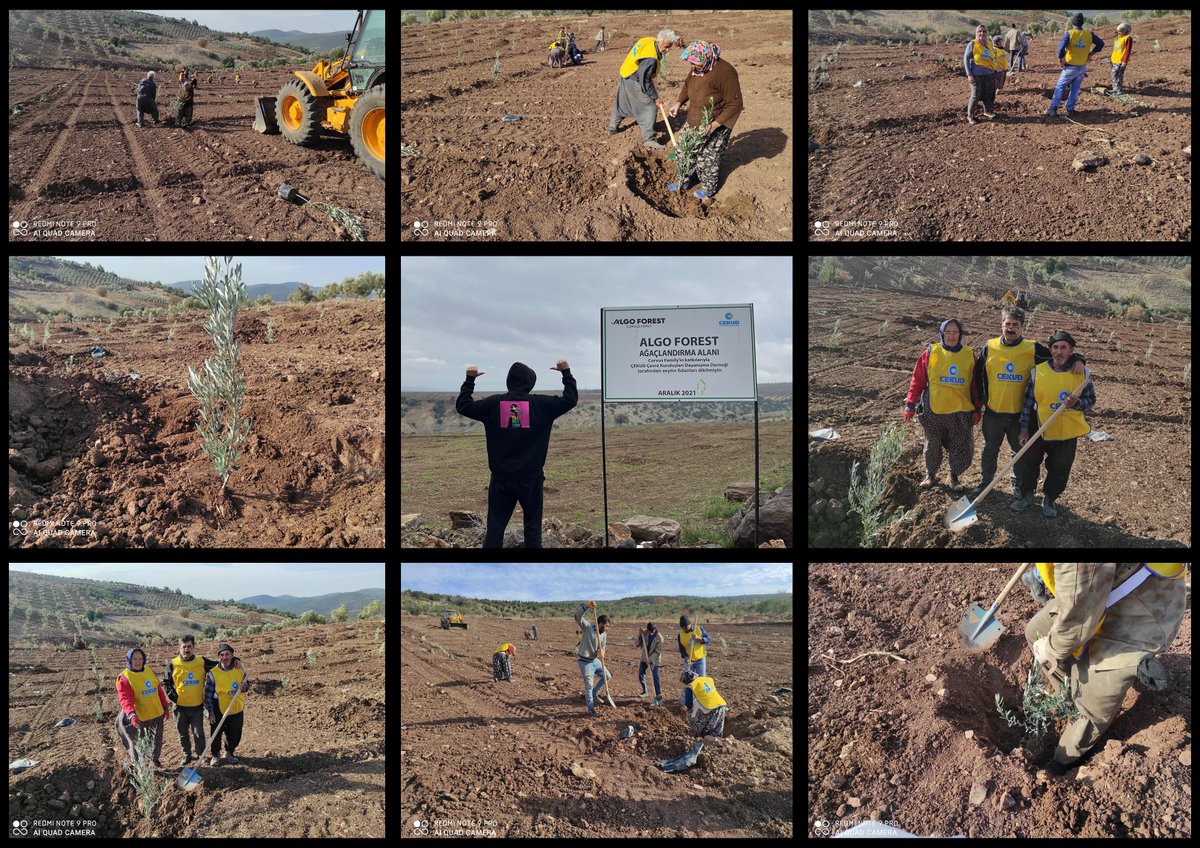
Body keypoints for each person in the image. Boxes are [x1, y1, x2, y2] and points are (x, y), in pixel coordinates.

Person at [1022, 564, 1188, 776]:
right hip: (1100, 590)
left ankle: (1063, 762)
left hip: (1144, 605)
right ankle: (1066, 695)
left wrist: (1051, 648)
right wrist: (1039, 573)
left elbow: (1077, 621)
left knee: (1089, 709)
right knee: (1037, 631)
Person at [455, 360, 578, 548]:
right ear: (531, 383)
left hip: (501, 479)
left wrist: (469, 379)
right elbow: (570, 399)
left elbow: (463, 406)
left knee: (495, 528)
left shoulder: (493, 404)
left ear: (509, 381)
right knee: (533, 529)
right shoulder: (542, 405)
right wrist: (566, 373)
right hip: (531, 479)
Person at [970, 307, 1086, 503]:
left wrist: (1078, 359)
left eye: (1016, 325)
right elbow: (978, 374)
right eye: (1008, 324)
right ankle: (985, 481)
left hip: (1019, 415)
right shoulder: (989, 347)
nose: (1011, 328)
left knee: (1019, 453)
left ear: (1022, 327)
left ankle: (1017, 485)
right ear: (1002, 325)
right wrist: (981, 401)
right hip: (993, 413)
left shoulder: (1033, 349)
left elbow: (1058, 357)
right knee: (990, 450)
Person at [1013, 330, 1096, 517]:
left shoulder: (1082, 373)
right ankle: (1027, 495)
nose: (1059, 352)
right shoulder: (1038, 372)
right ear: (1050, 350)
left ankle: (1050, 498)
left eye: (1063, 348)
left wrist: (1078, 403)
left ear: (1071, 350)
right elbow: (1027, 402)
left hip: (1067, 430)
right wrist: (1024, 429)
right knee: (1029, 462)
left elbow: (1091, 400)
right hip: (1039, 426)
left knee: (1060, 467)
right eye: (1055, 347)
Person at [903, 318, 979, 492]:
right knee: (932, 444)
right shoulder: (931, 353)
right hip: (934, 410)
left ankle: (954, 476)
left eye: (955, 332)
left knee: (961, 444)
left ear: (960, 335)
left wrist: (977, 408)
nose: (951, 336)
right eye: (947, 332)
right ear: (942, 334)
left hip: (960, 410)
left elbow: (975, 385)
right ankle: (930, 474)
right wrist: (910, 404)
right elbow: (918, 380)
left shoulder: (969, 355)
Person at [669, 39, 744, 205]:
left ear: (707, 57)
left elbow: (735, 104)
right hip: (695, 117)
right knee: (683, 150)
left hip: (716, 121)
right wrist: (678, 102)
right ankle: (683, 181)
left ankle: (708, 189)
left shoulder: (726, 72)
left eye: (695, 63)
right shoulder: (698, 66)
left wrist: (714, 125)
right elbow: (687, 86)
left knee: (707, 158)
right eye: (691, 63)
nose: (692, 66)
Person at [162, 635, 248, 767]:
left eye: (189, 646)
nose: (186, 649)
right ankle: (186, 755)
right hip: (179, 707)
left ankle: (201, 755)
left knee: (199, 733)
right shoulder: (172, 664)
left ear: (193, 647)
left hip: (197, 706)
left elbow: (220, 664)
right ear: (179, 648)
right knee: (183, 733)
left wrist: (235, 659)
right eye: (184, 647)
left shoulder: (201, 661)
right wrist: (175, 698)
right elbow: (166, 682)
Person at [607, 29, 680, 148]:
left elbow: (633, 44)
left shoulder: (650, 40)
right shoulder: (650, 59)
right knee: (650, 107)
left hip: (626, 73)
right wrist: (655, 97)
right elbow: (644, 80)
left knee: (622, 103)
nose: (667, 50)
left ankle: (612, 128)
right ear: (659, 42)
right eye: (666, 47)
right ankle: (649, 139)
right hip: (635, 79)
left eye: (669, 47)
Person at [115, 647, 170, 769]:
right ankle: (140, 766)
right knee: (138, 743)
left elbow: (158, 690)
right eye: (134, 659)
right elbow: (125, 699)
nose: (138, 662)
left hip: (156, 713)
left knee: (156, 740)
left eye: (140, 659)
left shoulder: (148, 671)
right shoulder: (124, 677)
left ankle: (155, 761)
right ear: (129, 660)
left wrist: (165, 707)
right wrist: (131, 714)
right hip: (140, 717)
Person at [1044, 13, 1104, 118]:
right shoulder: (1089, 34)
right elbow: (1101, 43)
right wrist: (1090, 54)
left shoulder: (1070, 33)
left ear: (1072, 23)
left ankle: (1053, 109)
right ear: (1082, 23)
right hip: (1082, 67)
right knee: (1075, 89)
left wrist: (1060, 59)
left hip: (1070, 67)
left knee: (1060, 87)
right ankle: (1070, 109)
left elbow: (1060, 49)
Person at [204, 643, 249, 765]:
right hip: (218, 706)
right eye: (222, 655)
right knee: (216, 733)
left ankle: (229, 752)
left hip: (236, 706)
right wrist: (210, 712)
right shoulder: (213, 673)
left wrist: (244, 687)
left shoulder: (239, 669)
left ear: (232, 655)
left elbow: (246, 685)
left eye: (227, 654)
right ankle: (215, 755)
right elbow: (208, 694)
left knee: (235, 732)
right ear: (219, 657)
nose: (224, 657)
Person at [575, 601, 611, 717]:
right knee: (589, 686)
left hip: (595, 661)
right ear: (600, 624)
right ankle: (591, 709)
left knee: (607, 676)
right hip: (585, 662)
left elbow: (603, 647)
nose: (607, 628)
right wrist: (586, 606)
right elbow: (577, 617)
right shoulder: (588, 627)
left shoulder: (604, 634)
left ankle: (595, 693)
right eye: (606, 626)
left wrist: (602, 652)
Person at [963, 24, 998, 125]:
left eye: (984, 31)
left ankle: (987, 111)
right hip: (977, 75)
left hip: (990, 73)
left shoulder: (989, 44)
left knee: (989, 94)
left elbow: (993, 57)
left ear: (987, 33)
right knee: (975, 95)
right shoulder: (973, 44)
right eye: (980, 31)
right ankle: (970, 116)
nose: (982, 33)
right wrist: (969, 74)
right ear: (976, 33)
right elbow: (966, 59)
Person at [680, 670, 726, 738]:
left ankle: (693, 738)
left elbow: (688, 704)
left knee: (696, 726)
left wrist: (688, 711)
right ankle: (716, 741)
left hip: (708, 706)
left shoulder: (690, 687)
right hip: (721, 704)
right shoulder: (708, 679)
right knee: (716, 727)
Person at [677, 614, 710, 705]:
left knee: (702, 680)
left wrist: (698, 638)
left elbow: (708, 640)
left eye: (686, 627)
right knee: (688, 681)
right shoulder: (680, 635)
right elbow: (681, 649)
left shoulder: (698, 629)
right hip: (689, 661)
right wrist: (686, 657)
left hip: (700, 659)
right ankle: (688, 702)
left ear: (690, 624)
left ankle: (702, 700)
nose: (685, 629)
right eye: (683, 628)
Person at [635, 623, 664, 706]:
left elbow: (658, 651)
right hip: (644, 658)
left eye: (653, 631)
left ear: (655, 629)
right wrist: (639, 635)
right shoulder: (644, 633)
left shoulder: (660, 638)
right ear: (647, 630)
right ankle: (645, 691)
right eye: (650, 631)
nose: (651, 633)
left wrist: (651, 659)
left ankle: (658, 696)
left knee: (655, 676)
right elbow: (636, 644)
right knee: (640, 673)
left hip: (655, 659)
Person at [1109, 22, 1133, 96]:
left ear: (1125, 31)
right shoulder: (1118, 37)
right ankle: (1114, 89)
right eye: (1119, 31)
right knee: (1113, 74)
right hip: (1114, 59)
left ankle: (1119, 91)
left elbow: (1128, 51)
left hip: (1121, 60)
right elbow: (1115, 49)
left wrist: (1124, 61)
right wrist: (1111, 58)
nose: (1119, 32)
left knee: (1118, 75)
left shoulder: (1128, 38)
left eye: (1121, 31)